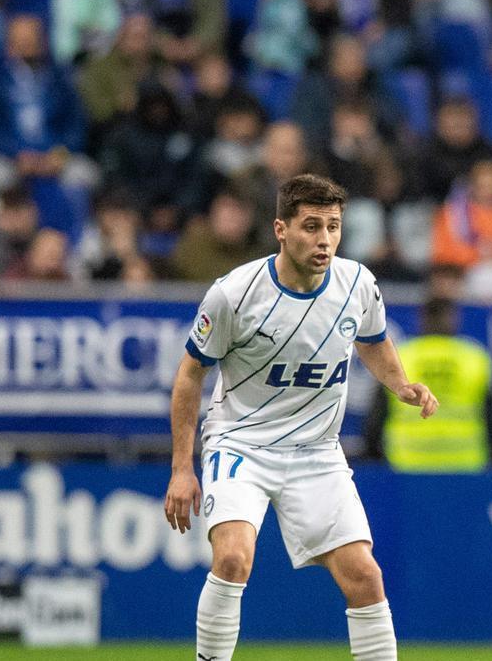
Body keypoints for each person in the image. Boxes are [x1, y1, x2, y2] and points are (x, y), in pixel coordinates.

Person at [162, 173, 439, 660]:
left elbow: (373, 341)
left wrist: (401, 384)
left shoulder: (357, 283)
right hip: (241, 445)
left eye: (333, 226)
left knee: (365, 575)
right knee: (231, 558)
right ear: (281, 230)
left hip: (316, 454)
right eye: (311, 226)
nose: (325, 239)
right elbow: (189, 376)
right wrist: (183, 469)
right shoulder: (234, 294)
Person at [365, 297, 492, 472]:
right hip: (463, 461)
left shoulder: (401, 356)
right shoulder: (474, 356)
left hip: (407, 461)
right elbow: (491, 416)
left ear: (421, 320)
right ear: (454, 319)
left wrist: (375, 458)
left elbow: (377, 416)